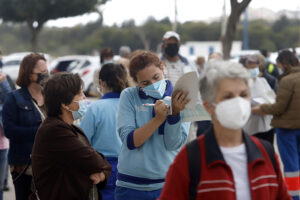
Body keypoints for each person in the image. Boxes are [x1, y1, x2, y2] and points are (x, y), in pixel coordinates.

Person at [159, 60, 291, 200]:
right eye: (228, 96)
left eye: (243, 94)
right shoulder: (190, 158)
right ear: (208, 106)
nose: (238, 102)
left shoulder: (266, 152)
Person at [115, 51, 190, 200]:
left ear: (162, 68)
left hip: (166, 183)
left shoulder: (180, 97)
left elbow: (173, 144)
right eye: (145, 83)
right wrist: (158, 119)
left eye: (156, 77)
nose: (153, 85)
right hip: (130, 186)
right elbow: (130, 141)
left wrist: (174, 115)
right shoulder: (129, 96)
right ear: (136, 82)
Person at [30, 72, 112, 200]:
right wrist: (100, 168)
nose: (85, 98)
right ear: (65, 104)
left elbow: (100, 162)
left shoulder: (71, 128)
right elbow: (95, 161)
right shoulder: (54, 130)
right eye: (80, 94)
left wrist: (102, 175)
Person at [253, 50, 300, 200]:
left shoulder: (287, 81)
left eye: (279, 65)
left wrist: (261, 108)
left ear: (284, 64)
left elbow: (279, 107)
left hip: (287, 129)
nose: (278, 68)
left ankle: (293, 197)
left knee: (291, 166)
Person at [2, 53, 49, 200]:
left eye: (46, 71)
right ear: (29, 73)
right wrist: (40, 131)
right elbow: (9, 130)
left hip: (48, 163)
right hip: (23, 164)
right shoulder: (13, 98)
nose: (45, 75)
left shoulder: (51, 96)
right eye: (41, 72)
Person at [80, 63, 128, 200]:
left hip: (103, 169)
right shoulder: (132, 107)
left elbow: (82, 143)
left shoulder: (95, 109)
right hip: (130, 167)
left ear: (101, 83)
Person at [239, 55, 276, 145]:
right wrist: (253, 110)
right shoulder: (239, 84)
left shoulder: (263, 81)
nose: (255, 70)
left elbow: (273, 98)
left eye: (256, 67)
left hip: (267, 126)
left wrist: (269, 108)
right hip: (250, 128)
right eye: (251, 68)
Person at [0, 72, 12, 200]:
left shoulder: (3, 78)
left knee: (0, 185)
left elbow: (10, 100)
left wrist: (3, 83)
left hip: (2, 144)